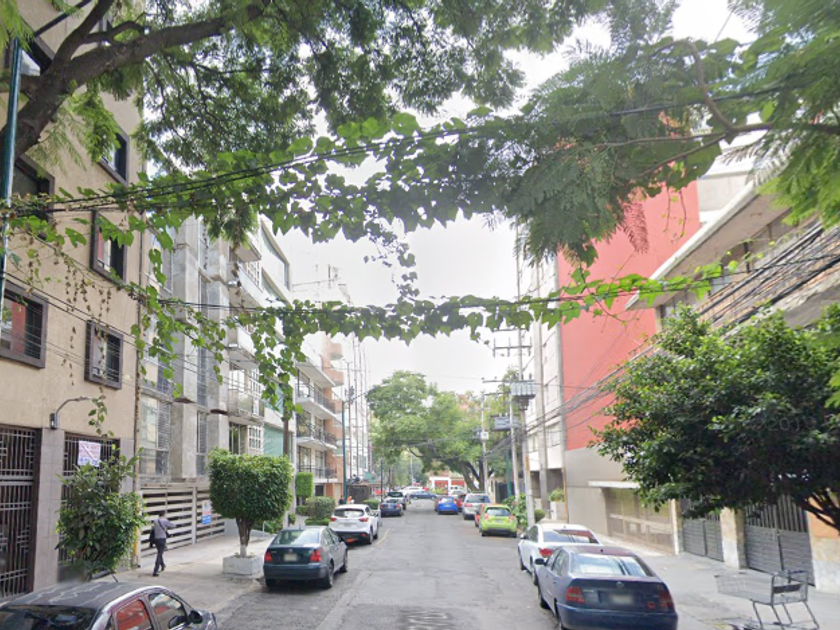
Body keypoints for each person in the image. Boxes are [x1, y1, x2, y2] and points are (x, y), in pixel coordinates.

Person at [151, 512, 175, 577]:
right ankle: (155, 570)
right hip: (162, 539)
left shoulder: (155, 521)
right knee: (159, 554)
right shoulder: (164, 521)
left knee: (160, 552)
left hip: (156, 539)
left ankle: (162, 565)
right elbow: (173, 525)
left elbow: (153, 529)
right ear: (164, 515)